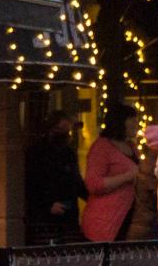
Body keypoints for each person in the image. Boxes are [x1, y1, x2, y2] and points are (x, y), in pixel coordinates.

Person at [81, 104, 142, 243]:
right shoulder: (102, 147)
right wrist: (128, 176)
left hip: (127, 217)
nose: (136, 123)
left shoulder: (131, 147)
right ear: (120, 122)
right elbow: (93, 184)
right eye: (132, 119)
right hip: (105, 221)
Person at [24, 110, 86, 245]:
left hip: (67, 214)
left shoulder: (68, 153)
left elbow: (76, 181)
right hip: (46, 218)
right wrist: (47, 205)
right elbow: (32, 184)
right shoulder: (39, 152)